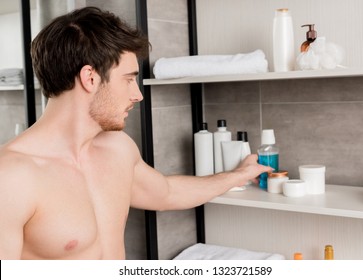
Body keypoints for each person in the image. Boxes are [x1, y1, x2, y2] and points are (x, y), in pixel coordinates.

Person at [0, 7, 271, 260]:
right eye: (129, 79)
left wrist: (238, 175)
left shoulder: (117, 149)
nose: (138, 95)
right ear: (90, 78)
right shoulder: (12, 176)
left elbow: (167, 193)